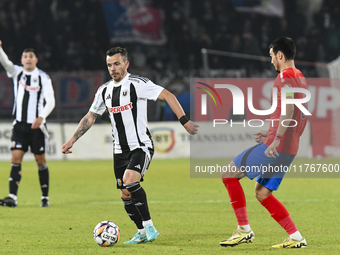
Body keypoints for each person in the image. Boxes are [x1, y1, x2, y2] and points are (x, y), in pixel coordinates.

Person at [61, 47, 198, 244]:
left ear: (126, 64)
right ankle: (141, 231)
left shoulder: (139, 84)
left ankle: (150, 226)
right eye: (109, 65)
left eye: (116, 64)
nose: (113, 68)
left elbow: (168, 95)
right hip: (119, 150)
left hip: (140, 145)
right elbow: (91, 116)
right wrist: (72, 140)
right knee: (125, 193)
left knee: (130, 180)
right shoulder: (104, 90)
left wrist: (184, 121)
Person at [219, 37, 308, 249]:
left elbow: (287, 110)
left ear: (280, 55)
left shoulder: (285, 76)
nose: (271, 62)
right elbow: (295, 114)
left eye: (271, 57)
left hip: (278, 146)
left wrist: (275, 139)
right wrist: (270, 132)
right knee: (262, 192)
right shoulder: (300, 77)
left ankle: (243, 230)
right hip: (290, 146)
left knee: (229, 173)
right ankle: (296, 237)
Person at [0, 40, 55, 208]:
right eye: (25, 57)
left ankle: (45, 197)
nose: (28, 59)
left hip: (36, 127)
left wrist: (42, 117)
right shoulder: (17, 73)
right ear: (22, 60)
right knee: (15, 158)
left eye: (31, 56)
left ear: (36, 60)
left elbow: (51, 101)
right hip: (19, 126)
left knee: (40, 160)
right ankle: (12, 198)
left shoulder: (43, 77)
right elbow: (5, 62)